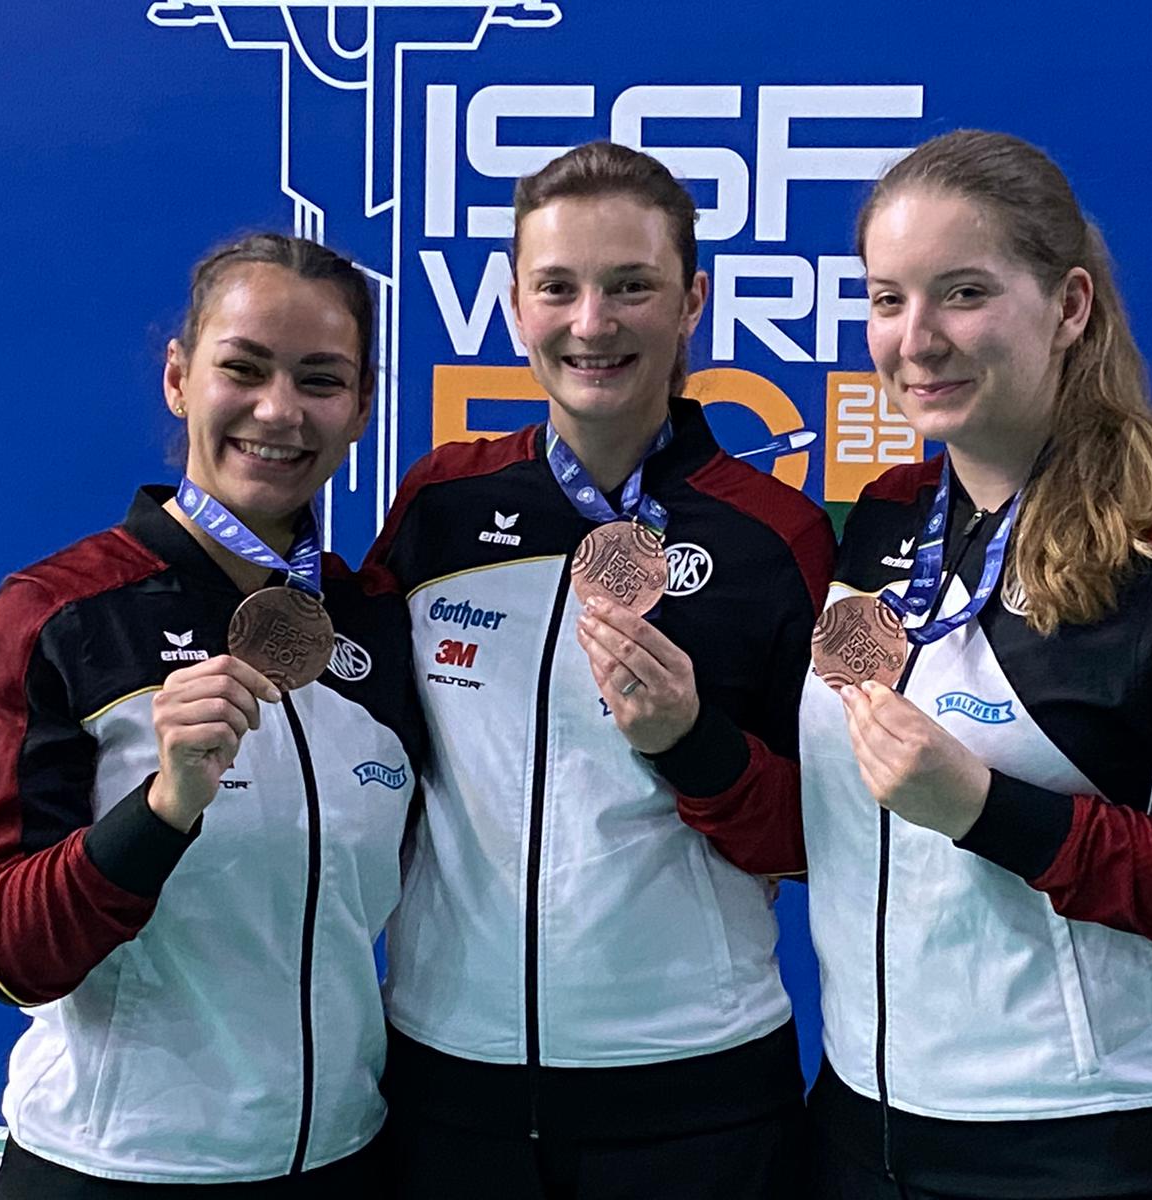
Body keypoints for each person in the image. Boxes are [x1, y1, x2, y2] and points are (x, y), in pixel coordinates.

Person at [800, 129, 1152, 1200]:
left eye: (963, 294)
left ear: (1069, 306)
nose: (916, 339)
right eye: (887, 299)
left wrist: (990, 810)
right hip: (857, 1122)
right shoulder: (885, 518)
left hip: (1079, 1147)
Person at [364, 141, 835, 1198]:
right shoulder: (439, 505)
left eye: (631, 286)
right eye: (557, 288)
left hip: (696, 1086)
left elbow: (829, 834)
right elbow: (371, 759)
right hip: (450, 1078)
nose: (591, 323)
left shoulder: (777, 537)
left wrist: (693, 748)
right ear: (513, 302)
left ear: (691, 302)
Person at [0, 233, 422, 1197]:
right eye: (242, 368)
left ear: (362, 405)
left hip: (342, 1162)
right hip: (114, 1170)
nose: (278, 411)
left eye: (320, 380)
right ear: (178, 376)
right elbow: (1, 950)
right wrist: (161, 811)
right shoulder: (51, 617)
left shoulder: (377, 621)